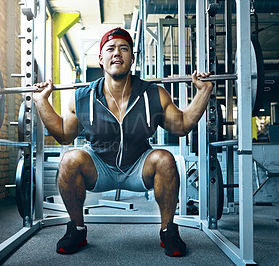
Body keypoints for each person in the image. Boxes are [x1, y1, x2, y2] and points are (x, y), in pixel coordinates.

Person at [33, 27, 213, 257]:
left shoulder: (154, 94)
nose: (117, 53)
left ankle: (168, 231)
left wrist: (204, 91)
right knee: (70, 160)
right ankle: (77, 230)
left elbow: (182, 125)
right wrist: (41, 101)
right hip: (99, 166)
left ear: (132, 58)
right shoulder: (82, 97)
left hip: (139, 165)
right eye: (110, 49)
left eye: (124, 49)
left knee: (165, 159)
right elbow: (63, 135)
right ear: (101, 59)